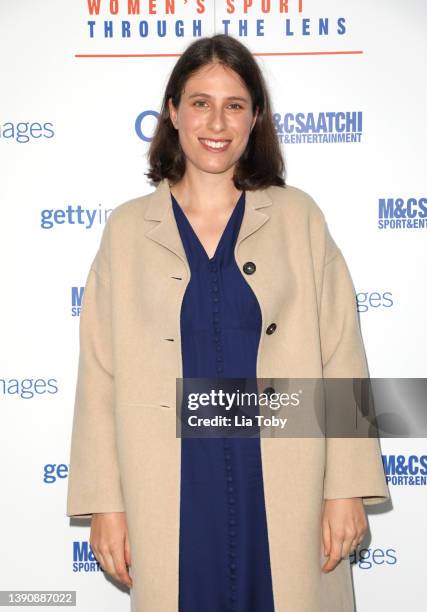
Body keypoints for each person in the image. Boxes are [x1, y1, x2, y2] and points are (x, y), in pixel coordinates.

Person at [67, 34, 390, 611]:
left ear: (255, 116)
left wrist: (345, 488)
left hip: (288, 480)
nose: (217, 121)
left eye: (235, 104)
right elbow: (100, 378)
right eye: (200, 102)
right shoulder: (125, 231)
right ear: (171, 110)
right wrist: (106, 504)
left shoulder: (300, 218)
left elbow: (341, 354)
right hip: (173, 486)